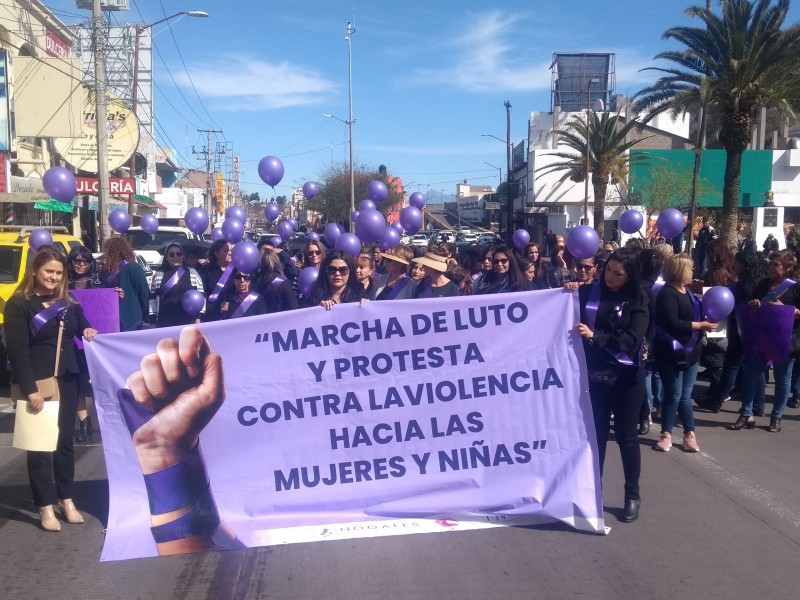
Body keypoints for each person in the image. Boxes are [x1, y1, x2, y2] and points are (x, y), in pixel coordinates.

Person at [3, 247, 97, 531]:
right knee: (40, 446)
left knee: (64, 444)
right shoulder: (19, 304)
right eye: (49, 272)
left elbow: (84, 327)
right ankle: (44, 505)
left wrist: (89, 330)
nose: (54, 277)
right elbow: (17, 351)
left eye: (58, 273)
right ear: (35, 271)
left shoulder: (68, 302)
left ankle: (65, 498)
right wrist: (30, 389)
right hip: (38, 384)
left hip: (67, 380)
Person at [570, 248, 649, 523]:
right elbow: (564, 310)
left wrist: (596, 336)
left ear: (629, 277)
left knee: (627, 438)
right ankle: (594, 491)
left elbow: (632, 340)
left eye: (619, 273)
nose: (611, 276)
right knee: (597, 437)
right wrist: (567, 289)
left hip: (627, 378)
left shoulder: (638, 298)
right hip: (596, 376)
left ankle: (632, 494)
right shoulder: (590, 293)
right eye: (609, 270)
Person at [729, 250, 800, 432]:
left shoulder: (795, 287)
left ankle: (776, 417)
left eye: (775, 265)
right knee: (751, 372)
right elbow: (755, 302)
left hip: (786, 338)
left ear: (788, 268)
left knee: (782, 377)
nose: (770, 267)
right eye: (770, 264)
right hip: (761, 335)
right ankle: (746, 413)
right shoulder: (764, 284)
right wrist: (755, 303)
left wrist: (786, 309)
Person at [654, 254, 717, 452]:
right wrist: (700, 325)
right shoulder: (667, 294)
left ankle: (689, 433)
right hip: (671, 353)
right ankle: (666, 433)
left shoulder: (688, 292)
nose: (693, 272)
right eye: (690, 268)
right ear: (679, 269)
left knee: (685, 395)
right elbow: (671, 322)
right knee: (673, 395)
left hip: (692, 353)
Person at [149, 242, 205, 327]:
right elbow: (152, 298)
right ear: (167, 258)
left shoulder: (192, 273)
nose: (175, 256)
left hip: (187, 321)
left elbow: (201, 296)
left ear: (182, 257)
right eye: (171, 254)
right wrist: (152, 320)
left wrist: (198, 318)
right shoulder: (159, 274)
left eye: (179, 254)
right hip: (164, 320)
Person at [99, 237, 149, 332]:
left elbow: (144, 295)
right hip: (111, 319)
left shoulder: (133, 268)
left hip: (130, 320)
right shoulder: (105, 271)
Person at [252, 248, 298, 313]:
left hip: (261, 321)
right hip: (281, 321)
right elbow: (294, 308)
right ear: (276, 261)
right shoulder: (284, 282)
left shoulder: (253, 282)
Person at [203, 240, 233, 322]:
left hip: (232, 314)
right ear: (216, 254)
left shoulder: (236, 270)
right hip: (212, 313)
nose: (230, 253)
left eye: (231, 250)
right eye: (226, 251)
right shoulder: (207, 269)